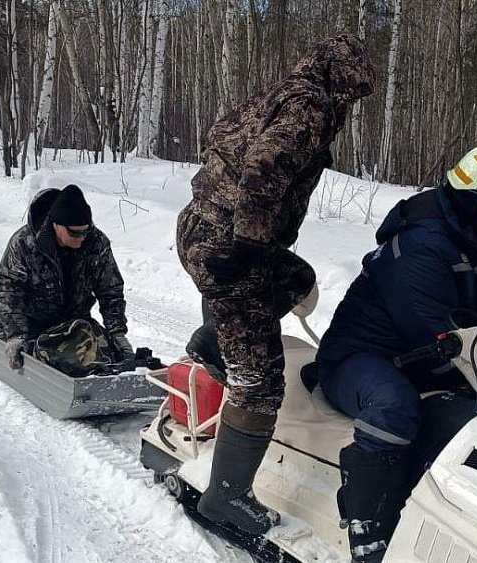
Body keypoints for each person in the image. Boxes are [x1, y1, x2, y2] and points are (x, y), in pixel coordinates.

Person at [176, 34, 375, 535]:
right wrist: (246, 242)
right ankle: (227, 497)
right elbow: (265, 166)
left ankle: (216, 342)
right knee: (261, 383)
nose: (351, 103)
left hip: (207, 230)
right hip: (230, 246)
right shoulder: (311, 105)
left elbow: (223, 145)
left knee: (298, 277)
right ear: (338, 79)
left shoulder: (279, 93)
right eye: (352, 91)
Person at [315, 144, 477, 562]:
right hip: (359, 357)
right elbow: (437, 330)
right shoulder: (421, 245)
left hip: (418, 356)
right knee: (394, 406)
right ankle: (371, 536)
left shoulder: (474, 240)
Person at [0, 184, 132, 371]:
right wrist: (16, 335)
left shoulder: (96, 243)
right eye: (75, 232)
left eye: (85, 230)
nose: (82, 236)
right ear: (56, 225)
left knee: (106, 353)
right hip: (35, 326)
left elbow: (110, 290)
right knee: (68, 359)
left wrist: (117, 333)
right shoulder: (24, 243)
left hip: (75, 324)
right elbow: (8, 288)